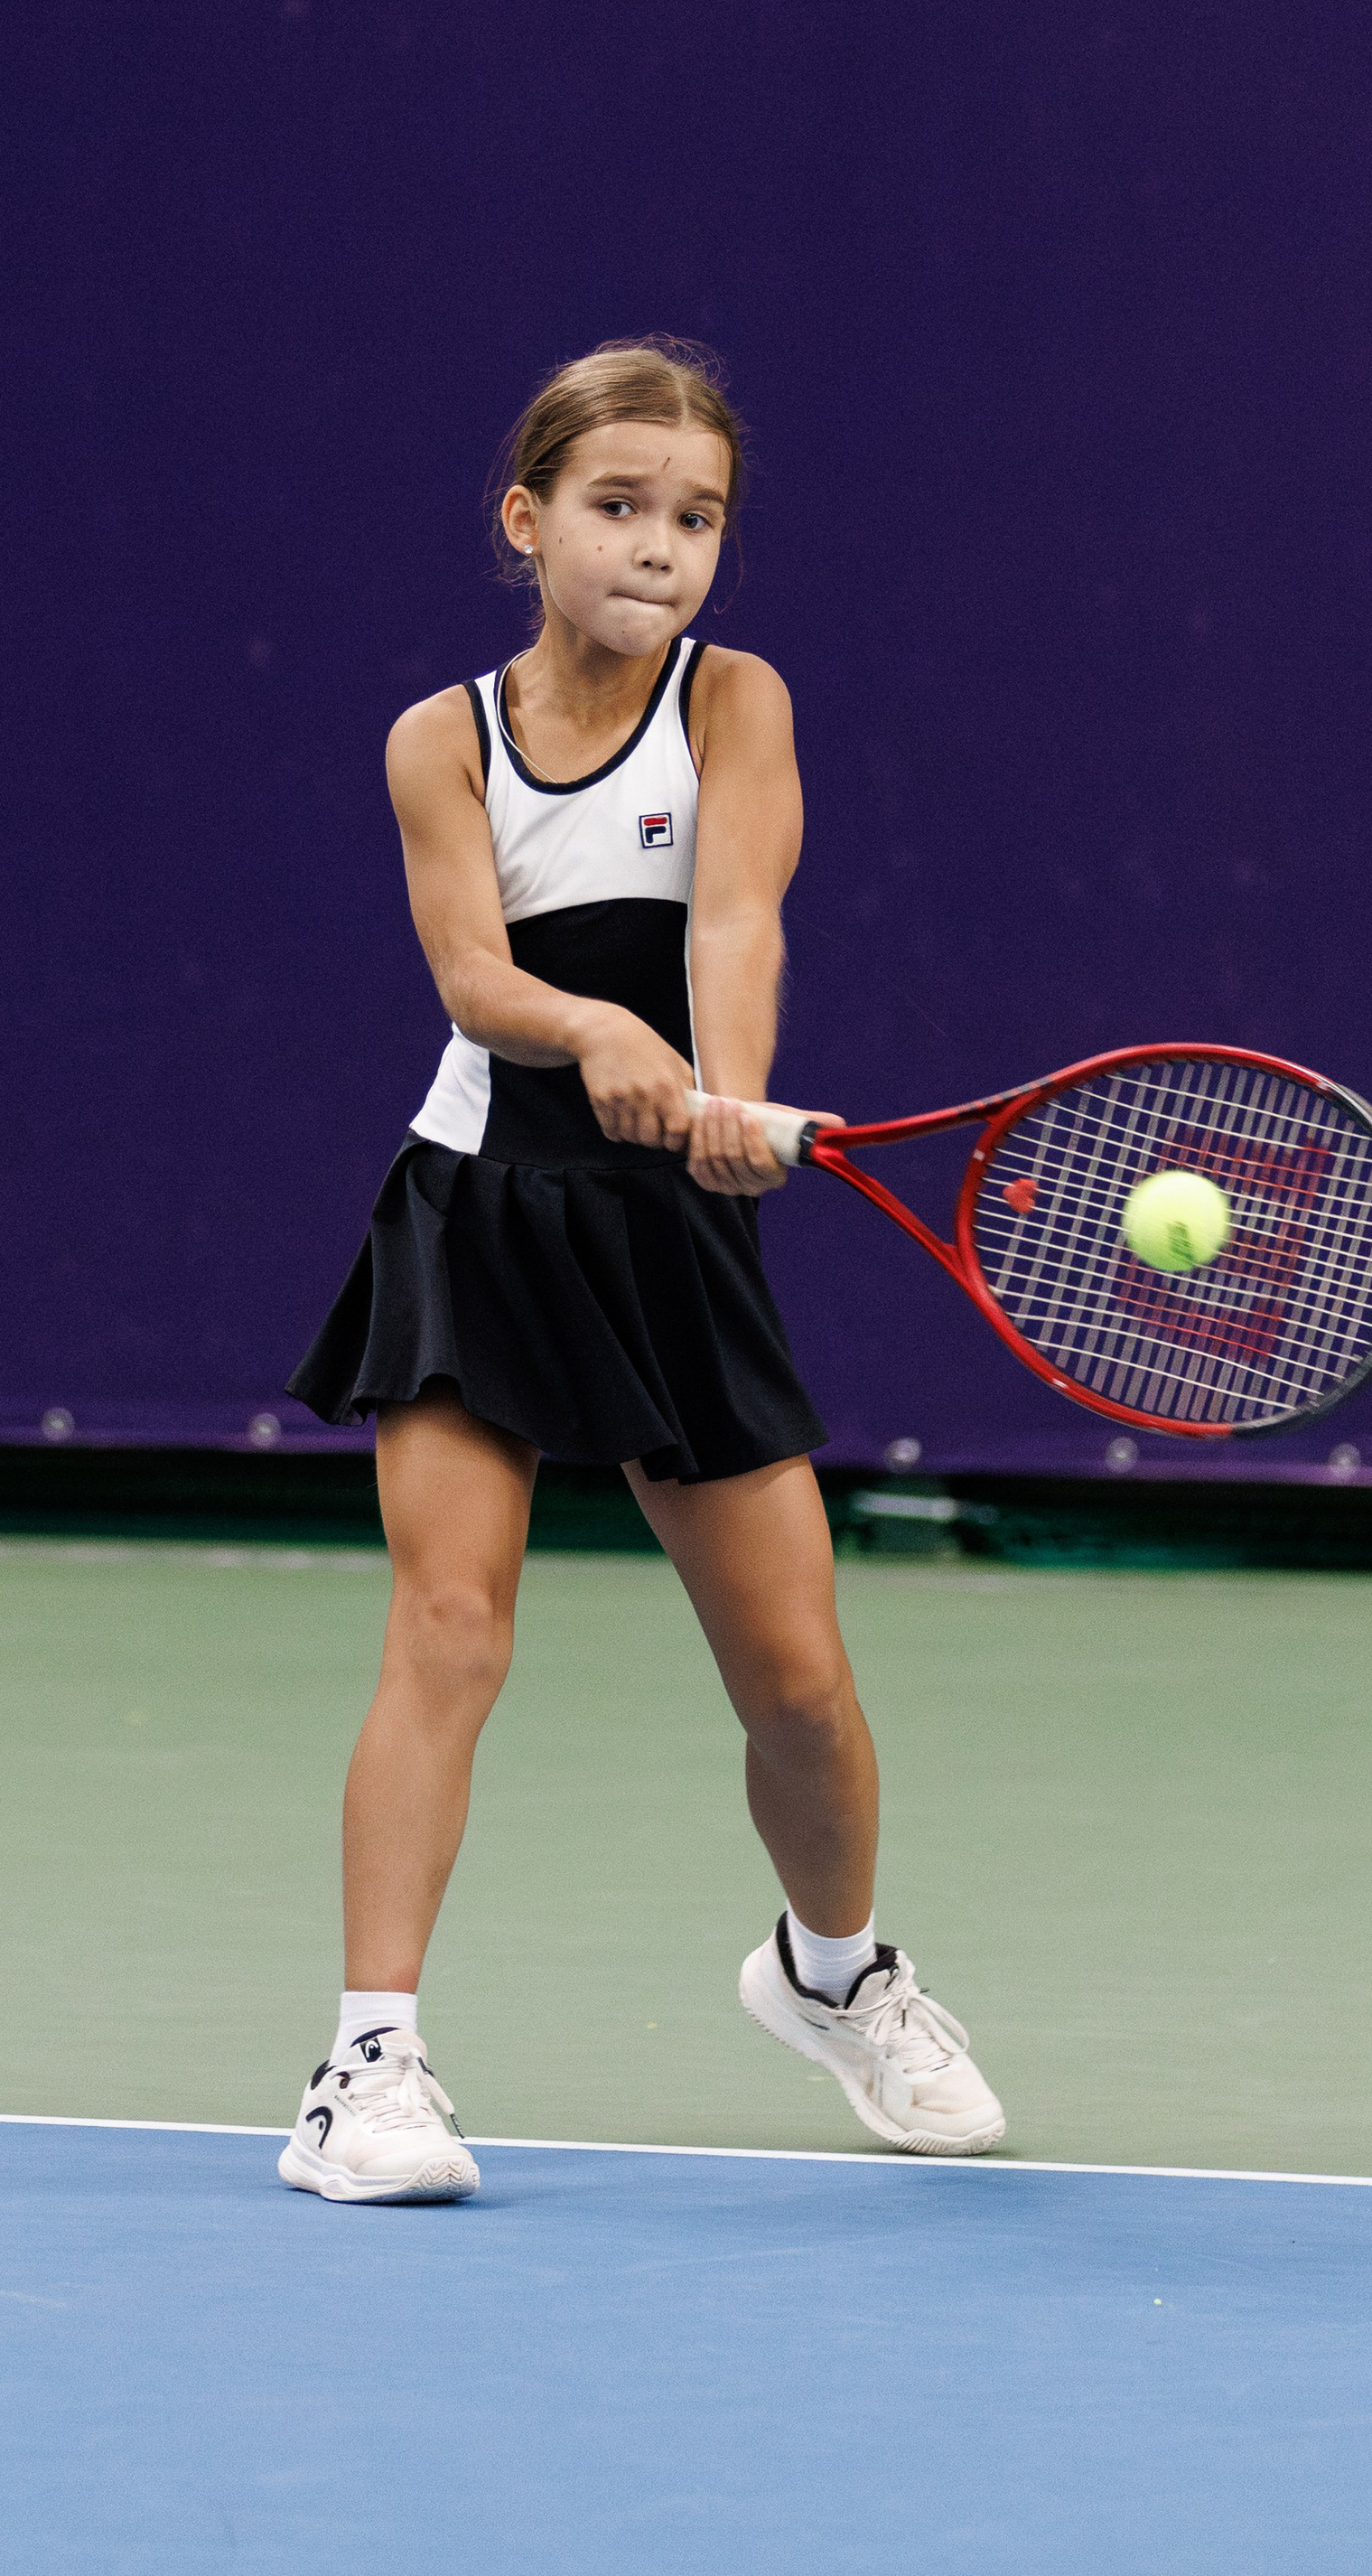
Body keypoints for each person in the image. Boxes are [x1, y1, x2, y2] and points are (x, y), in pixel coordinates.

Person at [282, 338, 1003, 2202]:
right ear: (525, 521)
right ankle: (365, 2066)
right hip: (479, 1208)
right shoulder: (438, 734)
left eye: (694, 518)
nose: (657, 545)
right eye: (616, 506)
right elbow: (469, 974)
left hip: (670, 1218)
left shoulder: (735, 700)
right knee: (445, 1627)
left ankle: (832, 1975)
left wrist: (729, 1098)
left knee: (797, 1683)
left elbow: (741, 909)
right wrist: (597, 1028)